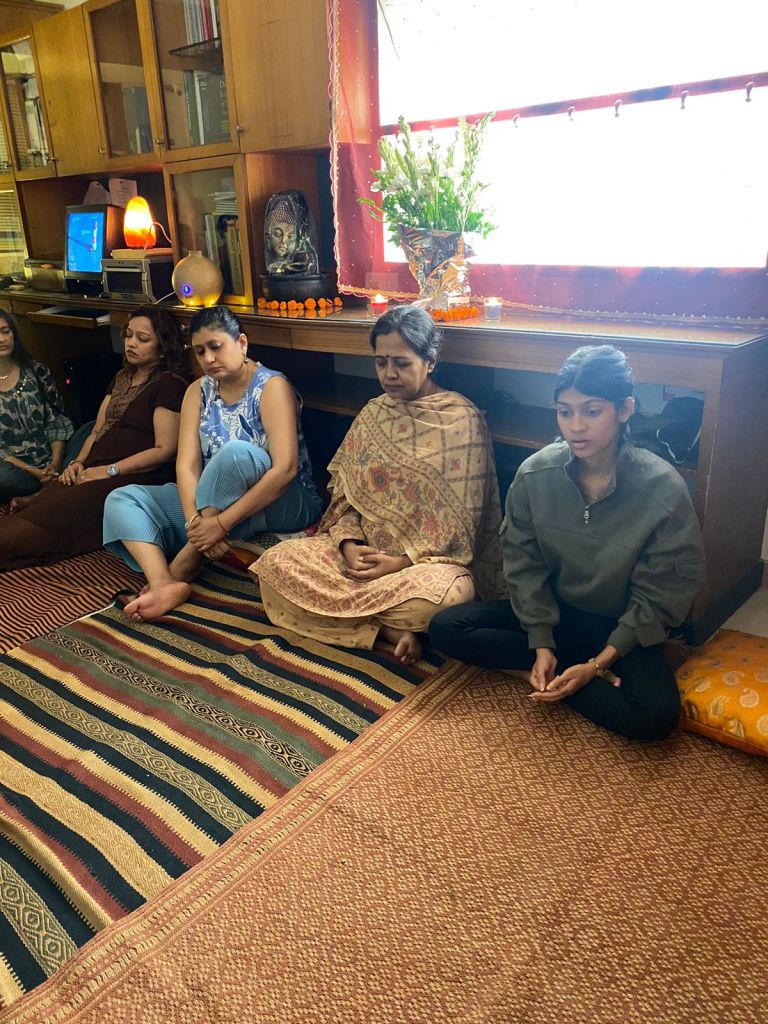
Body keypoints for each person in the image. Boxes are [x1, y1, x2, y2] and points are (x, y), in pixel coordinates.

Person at [429, 344, 706, 742]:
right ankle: (557, 671)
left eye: (592, 411)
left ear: (624, 409)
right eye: (565, 411)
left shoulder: (662, 489)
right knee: (445, 627)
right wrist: (541, 643)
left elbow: (661, 592)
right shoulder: (534, 475)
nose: (576, 426)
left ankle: (574, 675)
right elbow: (523, 566)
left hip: (619, 625)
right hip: (556, 614)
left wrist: (599, 663)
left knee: (656, 717)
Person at [254, 305, 503, 665]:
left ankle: (344, 616)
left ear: (430, 362)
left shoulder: (462, 422)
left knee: (449, 598)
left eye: (401, 363)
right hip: (356, 560)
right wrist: (349, 545)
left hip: (418, 570)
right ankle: (387, 629)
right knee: (274, 565)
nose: (389, 374)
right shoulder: (374, 413)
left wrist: (398, 563)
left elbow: (463, 534)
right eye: (381, 362)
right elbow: (344, 504)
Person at [104, 304, 322, 621]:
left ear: (241, 343)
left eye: (216, 347)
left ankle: (184, 563)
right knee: (121, 499)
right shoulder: (197, 391)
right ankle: (163, 582)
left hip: (284, 500)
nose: (208, 359)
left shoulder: (271, 386)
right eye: (200, 351)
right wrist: (196, 523)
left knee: (234, 454)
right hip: (212, 504)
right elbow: (187, 466)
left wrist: (218, 526)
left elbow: (285, 469)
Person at [0, 306, 188, 570]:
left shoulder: (169, 383)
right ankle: (38, 499)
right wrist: (77, 463)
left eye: (142, 339)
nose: (131, 343)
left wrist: (109, 470)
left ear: (163, 346)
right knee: (59, 491)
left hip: (131, 474)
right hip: (97, 464)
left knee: (45, 521)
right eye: (129, 335)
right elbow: (98, 430)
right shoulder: (122, 377)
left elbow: (164, 450)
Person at [0, 308, 73, 502]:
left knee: (91, 431)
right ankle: (53, 488)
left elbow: (56, 421)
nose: (2, 339)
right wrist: (34, 472)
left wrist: (55, 465)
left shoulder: (37, 371)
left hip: (52, 458)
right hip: (15, 470)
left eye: (6, 331)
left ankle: (39, 495)